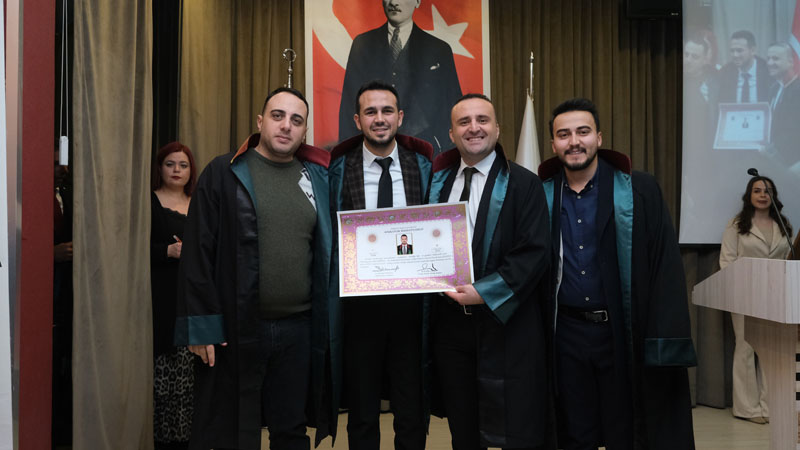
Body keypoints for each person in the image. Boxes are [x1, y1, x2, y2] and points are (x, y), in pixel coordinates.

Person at [175, 87, 336, 450]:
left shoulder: (317, 179)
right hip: (237, 328)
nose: (286, 125)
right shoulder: (225, 172)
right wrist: (201, 327)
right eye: (278, 116)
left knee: (291, 430)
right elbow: (197, 253)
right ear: (260, 121)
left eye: (296, 120)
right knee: (234, 430)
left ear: (305, 131)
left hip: (299, 329)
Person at [538, 98, 696, 449]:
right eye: (563, 134)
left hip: (621, 334)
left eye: (583, 132)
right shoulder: (540, 196)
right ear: (553, 144)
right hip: (565, 336)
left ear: (599, 137)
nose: (574, 141)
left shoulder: (639, 191)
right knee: (574, 432)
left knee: (625, 431)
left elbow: (665, 268)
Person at [428, 93, 552, 449]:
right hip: (452, 326)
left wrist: (484, 293)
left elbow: (534, 252)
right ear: (451, 134)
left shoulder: (524, 184)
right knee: (464, 429)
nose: (474, 128)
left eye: (482, 120)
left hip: (507, 323)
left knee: (517, 427)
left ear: (497, 129)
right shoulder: (437, 185)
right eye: (464, 122)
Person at [330, 80, 431, 450]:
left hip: (412, 307)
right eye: (370, 112)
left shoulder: (423, 167)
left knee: (410, 408)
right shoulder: (338, 169)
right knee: (362, 410)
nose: (379, 118)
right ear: (358, 120)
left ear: (400, 117)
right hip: (360, 308)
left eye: (387, 110)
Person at [338, 0, 462, 154]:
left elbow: (453, 106)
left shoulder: (439, 49)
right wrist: (348, 155)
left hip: (426, 150)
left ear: (417, 1)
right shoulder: (362, 44)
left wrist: (449, 156)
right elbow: (349, 105)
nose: (394, 3)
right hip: (372, 148)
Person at [719, 175, 793, 424]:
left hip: (776, 295)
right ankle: (747, 409)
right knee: (746, 348)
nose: (763, 195)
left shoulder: (784, 224)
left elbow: (789, 259)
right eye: (757, 190)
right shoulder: (736, 224)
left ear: (774, 196)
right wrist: (739, 290)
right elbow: (727, 260)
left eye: (767, 191)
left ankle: (770, 407)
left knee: (772, 350)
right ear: (749, 195)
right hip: (745, 295)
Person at [151, 142, 197, 450]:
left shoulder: (199, 203)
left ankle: (185, 440)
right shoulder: (149, 202)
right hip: (160, 299)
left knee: (189, 378)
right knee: (160, 378)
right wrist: (167, 251)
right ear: (160, 168)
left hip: (192, 299)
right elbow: (129, 249)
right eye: (170, 164)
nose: (177, 170)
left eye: (183, 165)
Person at [53, 149, 73, 448]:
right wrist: (52, 254)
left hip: (68, 289)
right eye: (57, 162)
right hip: (42, 289)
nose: (62, 168)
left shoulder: (67, 195)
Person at [765, 42, 800, 171]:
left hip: (793, 164)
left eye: (776, 58)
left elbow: (794, 132)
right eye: (768, 58)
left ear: (790, 62)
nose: (770, 63)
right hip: (774, 161)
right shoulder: (773, 88)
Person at [715, 30, 771, 104]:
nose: (735, 55)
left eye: (739, 50)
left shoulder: (768, 70)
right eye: (732, 51)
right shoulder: (725, 73)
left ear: (753, 50)